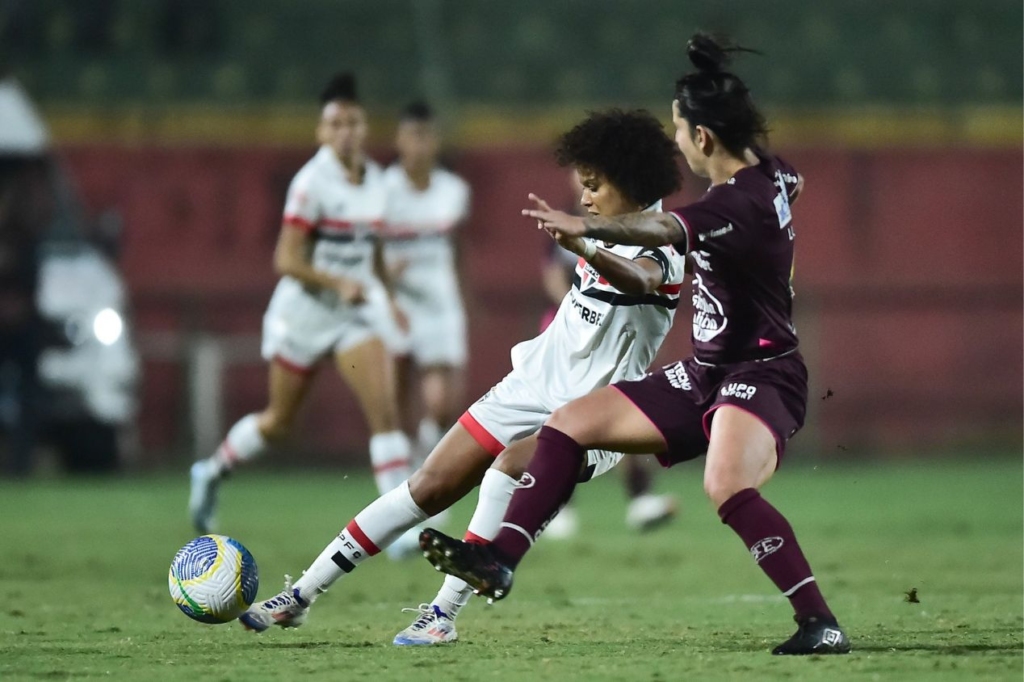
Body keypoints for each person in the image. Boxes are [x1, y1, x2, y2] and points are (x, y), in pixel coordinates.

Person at [420, 34, 852, 656]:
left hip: (761, 376)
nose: (676, 141)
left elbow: (660, 226)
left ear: (703, 139)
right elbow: (792, 178)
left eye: (680, 129)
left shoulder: (733, 204)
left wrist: (587, 226)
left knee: (725, 486)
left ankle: (820, 623)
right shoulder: (774, 176)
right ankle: (500, 559)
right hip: (708, 371)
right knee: (569, 424)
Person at [237, 109, 685, 644]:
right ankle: (302, 594)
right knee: (426, 486)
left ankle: (441, 616)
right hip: (532, 384)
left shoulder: (664, 245)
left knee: (506, 468)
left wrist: (586, 243)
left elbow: (639, 278)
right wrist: (585, 236)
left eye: (593, 186)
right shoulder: (601, 223)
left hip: (598, 414)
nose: (584, 198)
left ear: (631, 184)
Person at [188, 73, 415, 543]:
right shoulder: (311, 184)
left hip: (352, 317)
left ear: (364, 127)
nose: (345, 132)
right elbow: (286, 259)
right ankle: (211, 471)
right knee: (279, 423)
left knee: (385, 413)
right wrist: (336, 281)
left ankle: (397, 531)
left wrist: (388, 296)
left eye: (353, 122)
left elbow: (369, 246)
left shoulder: (376, 180)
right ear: (321, 132)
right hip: (305, 315)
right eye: (335, 124)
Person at [539, 170, 677, 540]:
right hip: (571, 327)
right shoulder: (565, 219)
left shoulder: (626, 229)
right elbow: (552, 275)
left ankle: (639, 500)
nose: (584, 185)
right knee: (563, 417)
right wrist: (576, 305)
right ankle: (557, 507)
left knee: (620, 412)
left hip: (613, 331)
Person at [381, 101, 470, 462]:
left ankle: (426, 459)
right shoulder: (382, 190)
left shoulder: (453, 190)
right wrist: (385, 279)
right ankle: (407, 476)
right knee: (398, 394)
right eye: (412, 136)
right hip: (396, 302)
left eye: (426, 137)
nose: (419, 145)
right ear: (400, 140)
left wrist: (465, 296)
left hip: (440, 302)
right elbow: (365, 253)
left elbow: (459, 247)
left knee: (442, 402)